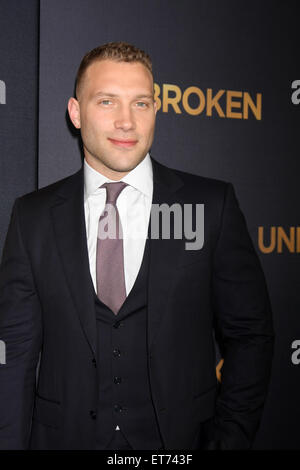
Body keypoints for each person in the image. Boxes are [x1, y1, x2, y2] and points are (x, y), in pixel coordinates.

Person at [0, 42, 274, 450]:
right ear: (76, 113)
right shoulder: (33, 217)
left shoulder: (209, 206)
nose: (127, 122)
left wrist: (229, 439)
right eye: (107, 101)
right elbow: (15, 359)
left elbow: (251, 335)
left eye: (141, 103)